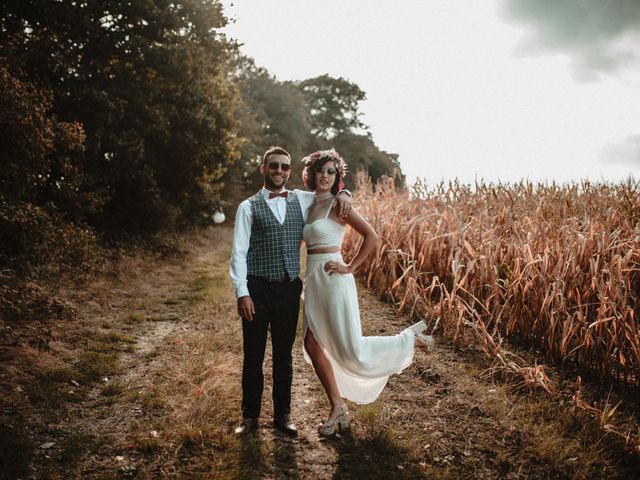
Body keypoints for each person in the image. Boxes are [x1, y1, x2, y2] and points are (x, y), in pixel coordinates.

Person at [300, 149, 434, 436]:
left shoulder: (339, 204)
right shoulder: (308, 204)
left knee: (350, 350)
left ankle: (408, 340)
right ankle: (338, 409)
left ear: (337, 178)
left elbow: (372, 236)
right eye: (320, 171)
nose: (324, 176)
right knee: (312, 344)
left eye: (331, 172)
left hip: (334, 279)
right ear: (312, 174)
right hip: (314, 282)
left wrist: (349, 267)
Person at [229, 146, 352, 436]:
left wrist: (346, 193)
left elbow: (332, 191)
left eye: (285, 167)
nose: (280, 171)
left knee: (284, 355)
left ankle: (283, 416)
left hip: (288, 288)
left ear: (290, 171)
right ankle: (249, 417)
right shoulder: (247, 207)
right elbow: (238, 253)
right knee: (253, 354)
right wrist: (241, 292)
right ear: (263, 168)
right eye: (274, 166)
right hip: (257, 287)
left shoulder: (301, 198)